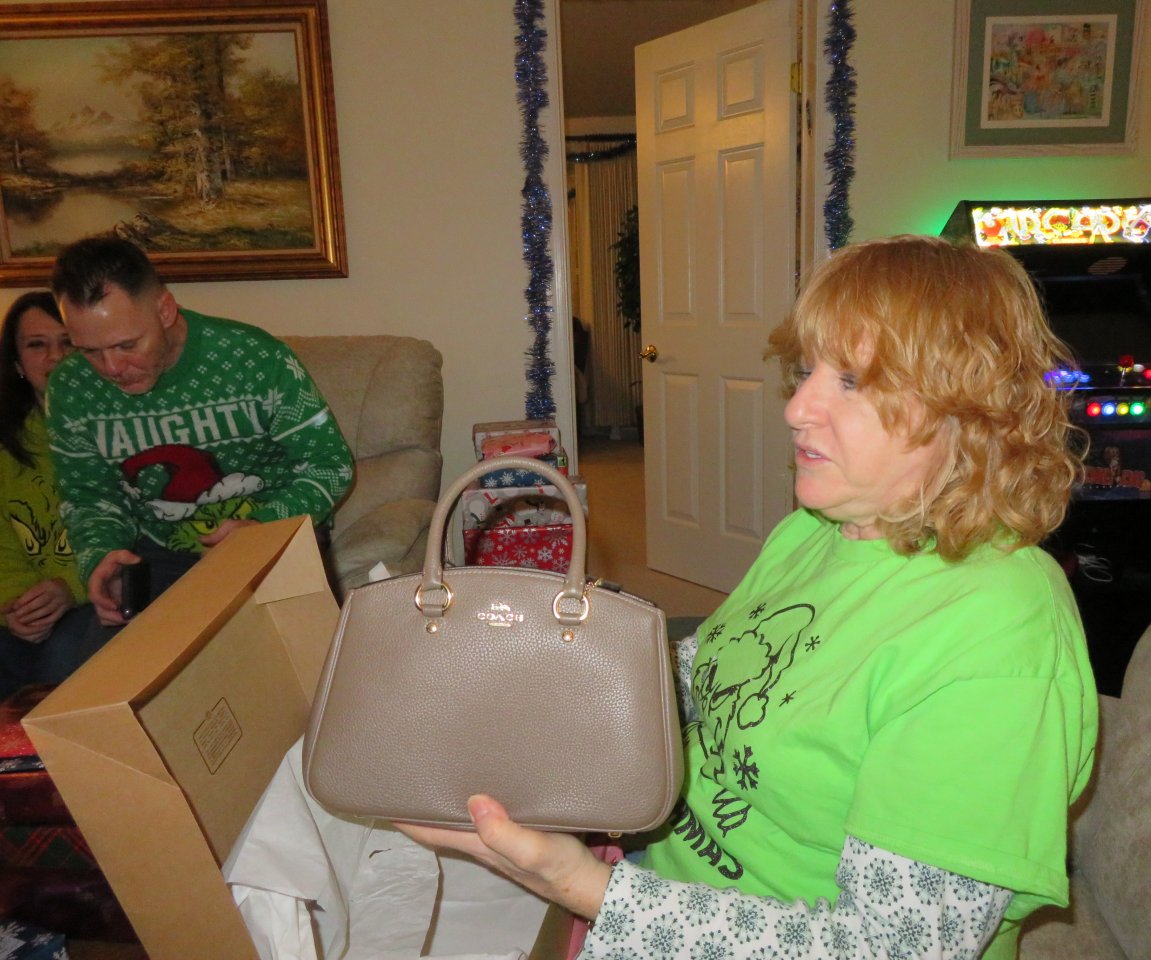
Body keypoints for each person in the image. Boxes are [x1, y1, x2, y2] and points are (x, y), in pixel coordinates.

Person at [398, 236, 1098, 959]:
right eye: (807, 370)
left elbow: (888, 948)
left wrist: (580, 885)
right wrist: (545, 685)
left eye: (852, 381)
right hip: (651, 871)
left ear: (969, 413)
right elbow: (707, 678)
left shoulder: (998, 638)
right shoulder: (817, 531)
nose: (797, 407)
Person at [44, 236, 354, 633]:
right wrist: (101, 557)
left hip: (273, 538)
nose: (111, 367)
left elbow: (331, 465)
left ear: (165, 310)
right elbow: (89, 496)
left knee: (297, 658)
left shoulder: (255, 358)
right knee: (114, 669)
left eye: (127, 345)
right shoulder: (71, 387)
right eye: (89, 350)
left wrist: (264, 526)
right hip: (159, 552)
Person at [0, 292, 96, 709]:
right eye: (37, 345)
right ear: (16, 363)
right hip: (14, 603)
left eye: (67, 342)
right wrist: (18, 604)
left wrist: (67, 587)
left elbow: (138, 535)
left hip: (94, 593)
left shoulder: (121, 427)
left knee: (61, 668)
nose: (55, 357)